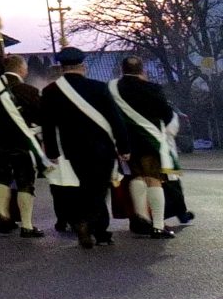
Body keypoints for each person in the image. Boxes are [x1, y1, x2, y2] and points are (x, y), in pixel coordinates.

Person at [38, 46, 120, 249]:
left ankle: (85, 223)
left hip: (72, 148)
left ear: (62, 68)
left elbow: (48, 125)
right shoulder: (99, 87)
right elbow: (115, 119)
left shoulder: (50, 91)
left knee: (84, 186)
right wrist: (124, 146)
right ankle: (98, 229)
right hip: (102, 147)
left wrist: (52, 151)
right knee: (100, 188)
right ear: (83, 66)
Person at [109, 55, 179, 240]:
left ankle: (142, 217)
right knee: (154, 179)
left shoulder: (112, 89)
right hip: (150, 140)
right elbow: (166, 113)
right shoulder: (153, 88)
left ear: (122, 70)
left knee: (136, 176)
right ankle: (157, 226)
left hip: (126, 142)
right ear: (142, 70)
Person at [0, 55, 48, 238]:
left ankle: (2, 211)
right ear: (21, 69)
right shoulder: (28, 91)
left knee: (2, 177)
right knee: (25, 182)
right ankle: (27, 225)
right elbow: (41, 116)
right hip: (21, 143)